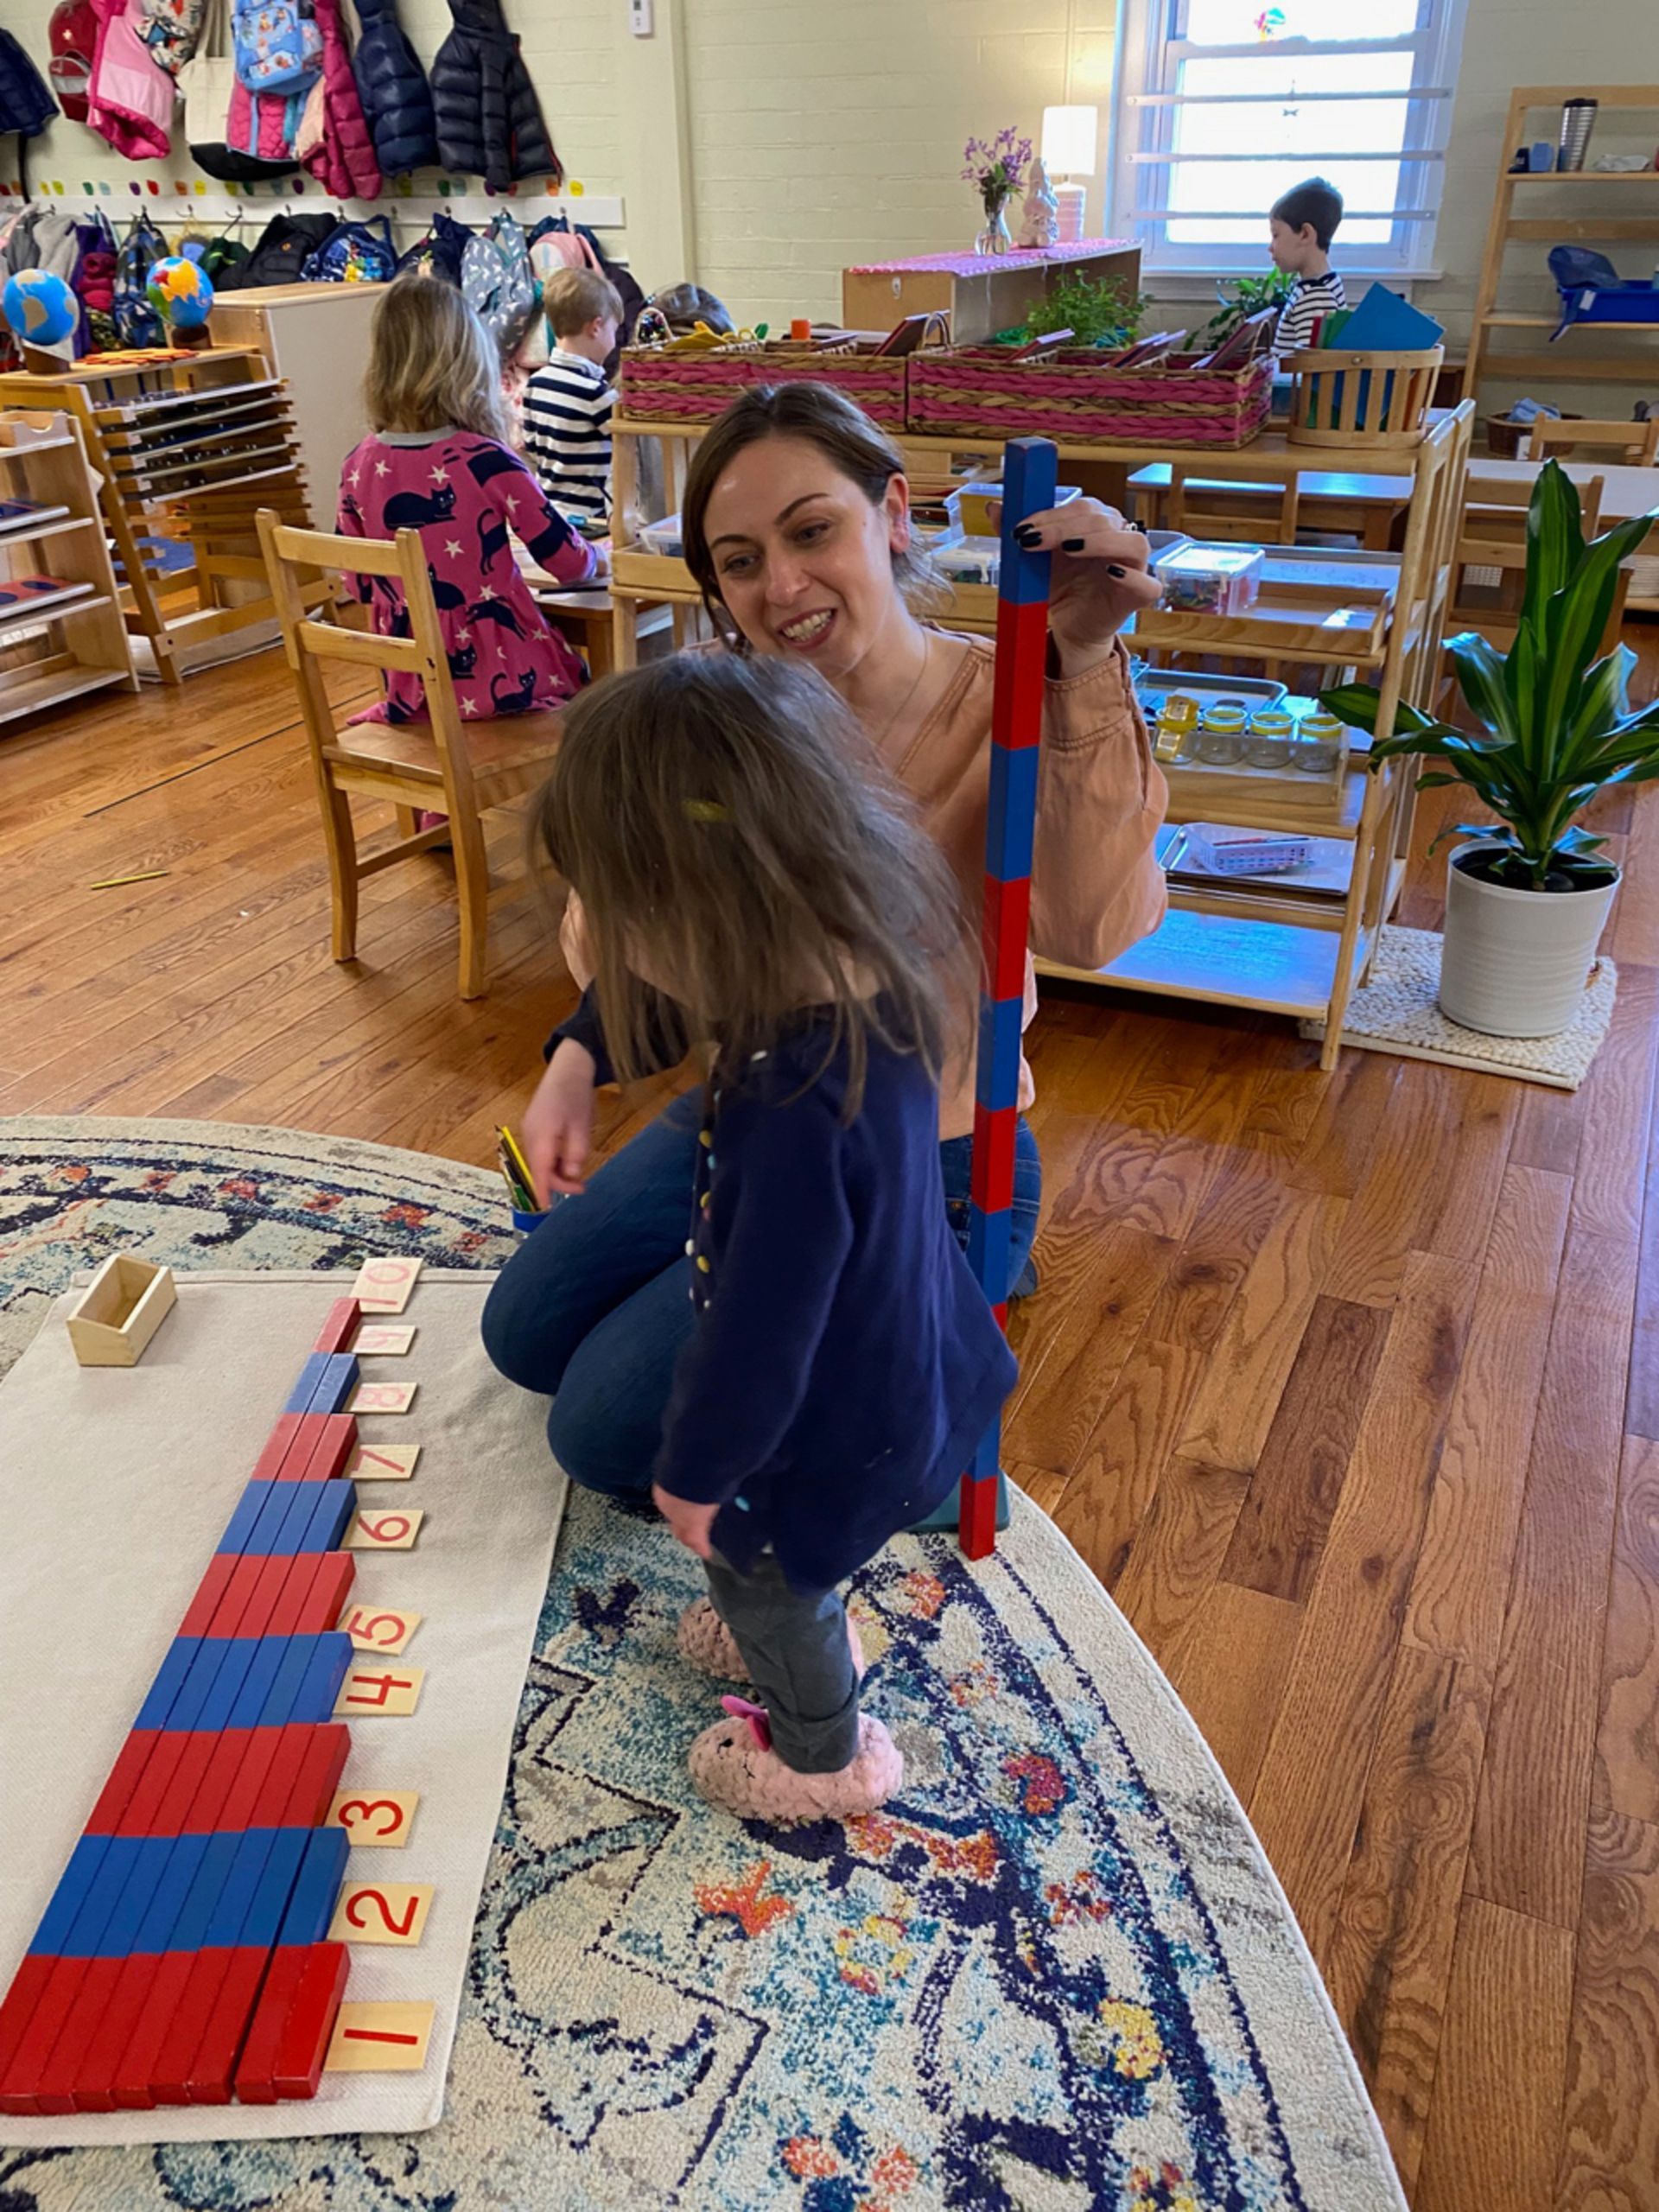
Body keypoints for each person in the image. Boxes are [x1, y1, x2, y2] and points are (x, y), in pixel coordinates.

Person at [482, 380, 1166, 1525]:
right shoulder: (724, 729)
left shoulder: (1013, 697)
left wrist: (1085, 659)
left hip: (929, 1162)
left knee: (599, 1428)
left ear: (891, 514)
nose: (783, 586)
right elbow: (650, 947)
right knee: (524, 1331)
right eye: (740, 561)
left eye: (812, 531)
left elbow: (1095, 925)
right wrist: (576, 1057)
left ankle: (926, 1324)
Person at [531, 651, 1017, 1819]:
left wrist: (701, 1474)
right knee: (772, 1563)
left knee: (763, 1569)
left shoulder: (786, 1107)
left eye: (618, 918)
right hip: (906, 1359)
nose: (608, 948)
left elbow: (761, 1331)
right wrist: (580, 1056)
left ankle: (823, 1753)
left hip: (834, 1418)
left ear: (697, 913)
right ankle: (791, 1629)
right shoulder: (857, 972)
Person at [336, 275, 603, 728]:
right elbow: (570, 564)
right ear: (468, 361)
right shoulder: (485, 460)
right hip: (505, 682)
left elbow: (357, 584)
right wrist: (599, 556)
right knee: (600, 694)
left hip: (413, 693)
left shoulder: (357, 464)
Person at [521, 266, 623, 528]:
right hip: (590, 520)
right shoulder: (596, 394)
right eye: (614, 331)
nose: (614, 342)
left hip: (549, 512)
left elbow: (531, 448)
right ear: (596, 327)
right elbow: (629, 452)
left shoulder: (535, 383)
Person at [1269, 176, 1345, 359]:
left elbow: (1309, 368)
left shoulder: (1315, 297)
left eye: (1276, 235)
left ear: (1305, 234)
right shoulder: (1325, 283)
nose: (1270, 247)